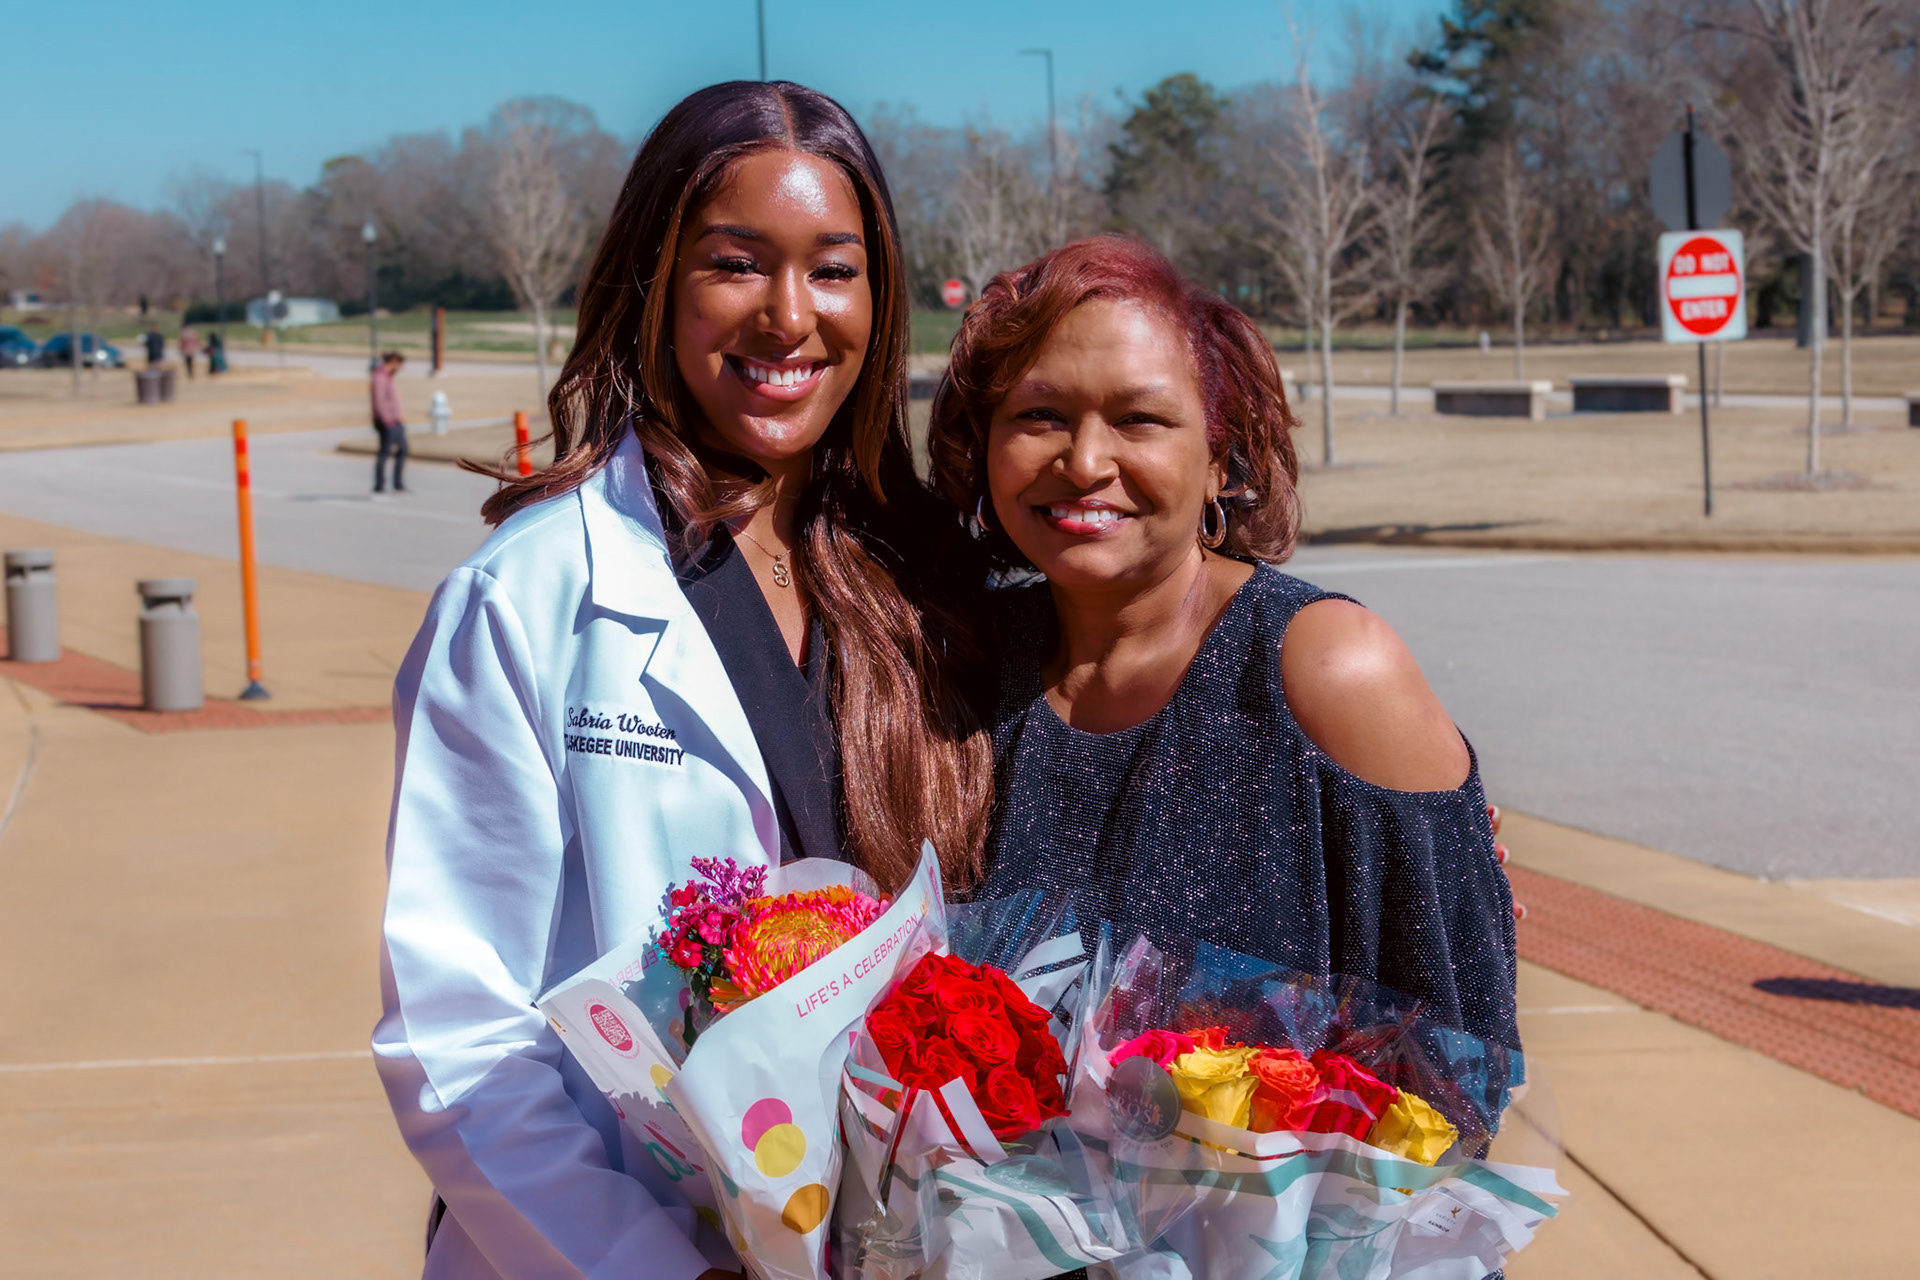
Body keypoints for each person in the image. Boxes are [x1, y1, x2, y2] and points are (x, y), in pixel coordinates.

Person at [375, 81, 992, 1280]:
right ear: (655, 282)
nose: (789, 315)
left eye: (833, 269)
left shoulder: (919, 587)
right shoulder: (532, 593)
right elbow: (457, 1032)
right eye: (735, 263)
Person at [928, 236, 1519, 1052]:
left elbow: (1456, 1067)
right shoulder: (954, 672)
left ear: (1219, 458)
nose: (1085, 461)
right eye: (1040, 416)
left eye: (1139, 419)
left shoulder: (1328, 670)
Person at [370, 350, 410, 493]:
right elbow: (379, 400)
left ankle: (398, 484)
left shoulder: (388, 375)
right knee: (385, 452)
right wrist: (386, 419)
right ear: (393, 362)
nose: (400, 368)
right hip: (388, 422)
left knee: (403, 450)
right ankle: (379, 485)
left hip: (396, 421)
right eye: (399, 365)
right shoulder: (380, 376)